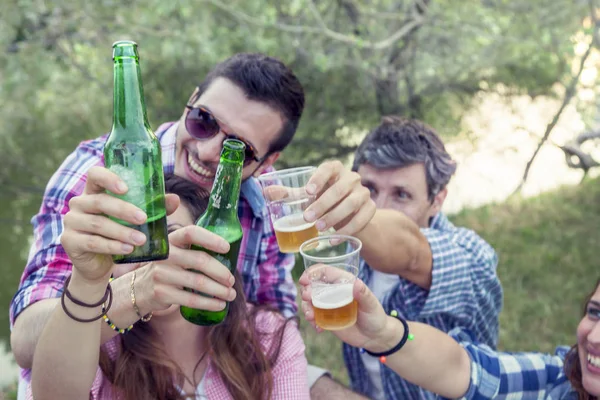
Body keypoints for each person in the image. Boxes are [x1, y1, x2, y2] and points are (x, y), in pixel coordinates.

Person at [10, 52, 376, 398]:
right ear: (192, 99)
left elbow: (273, 325)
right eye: (204, 121)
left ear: (268, 161)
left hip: (220, 361)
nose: (206, 151)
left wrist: (358, 217)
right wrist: (139, 290)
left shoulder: (268, 199)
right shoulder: (103, 172)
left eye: (240, 148)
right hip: (110, 357)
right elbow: (28, 344)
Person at [29, 173, 309, 399]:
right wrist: (88, 281)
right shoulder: (95, 346)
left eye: (170, 236)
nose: (153, 256)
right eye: (132, 242)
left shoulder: (268, 335)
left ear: (208, 244)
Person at [334, 116, 503, 399]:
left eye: (401, 195)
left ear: (437, 200)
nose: (378, 209)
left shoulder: (472, 257)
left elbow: (411, 254)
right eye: (370, 190)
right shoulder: (352, 254)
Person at [300, 273, 600, 400]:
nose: (595, 337)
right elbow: (463, 369)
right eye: (595, 312)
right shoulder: (559, 383)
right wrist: (384, 334)